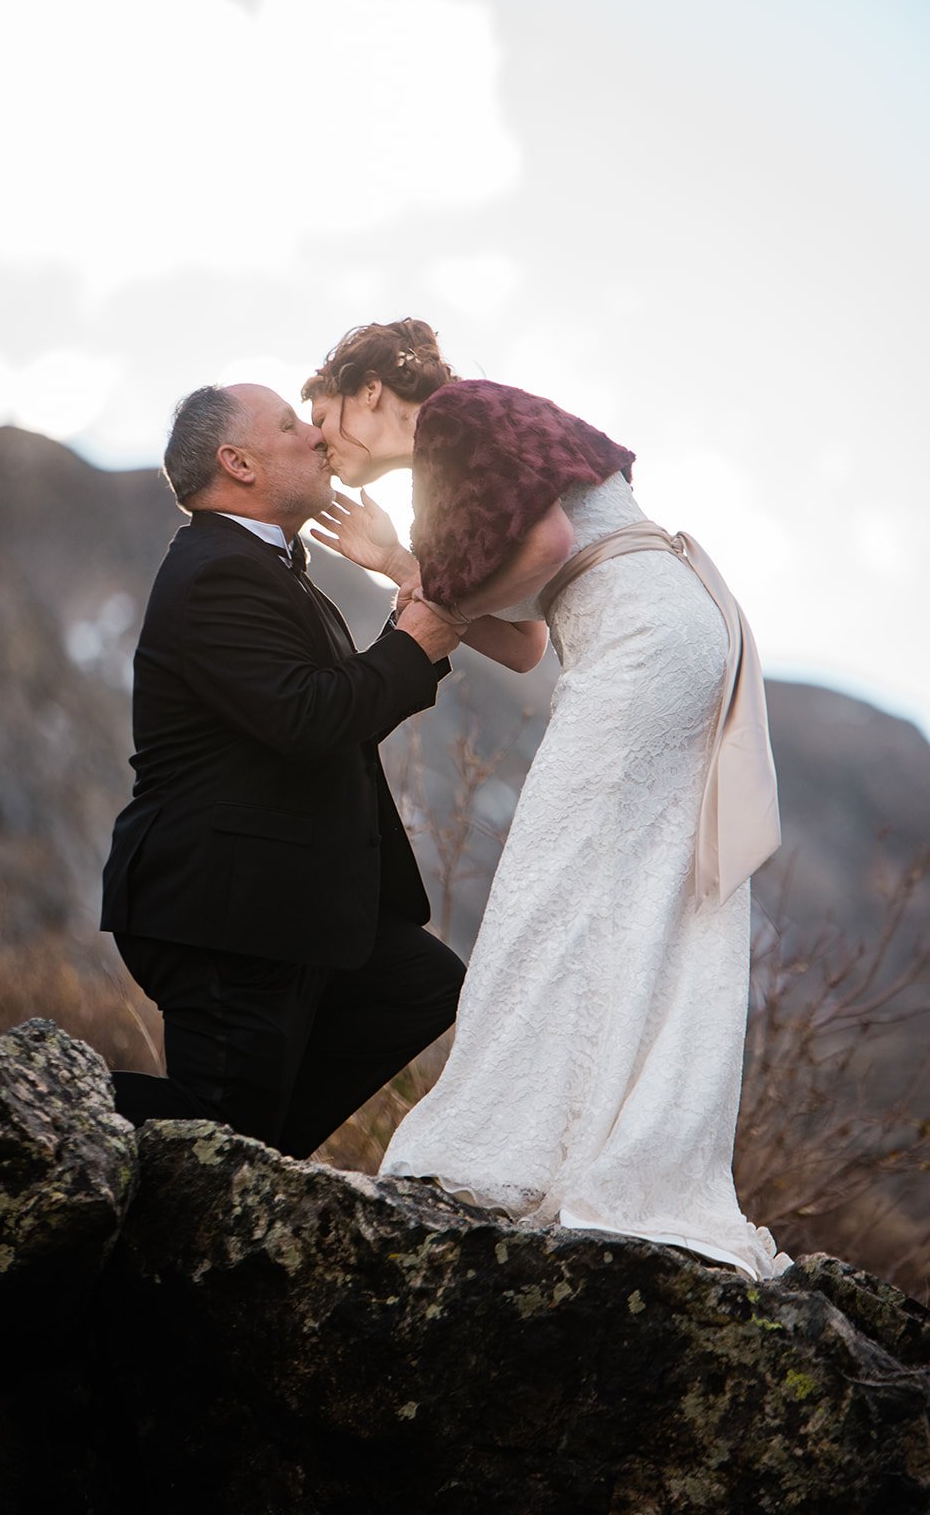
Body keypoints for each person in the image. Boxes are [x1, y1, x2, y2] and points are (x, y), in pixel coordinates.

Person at [302, 318, 788, 1279]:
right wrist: (403, 562)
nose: (325, 445)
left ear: (367, 390)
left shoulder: (454, 414)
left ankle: (496, 1151)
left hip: (642, 640)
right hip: (660, 631)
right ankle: (590, 1143)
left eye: (324, 418)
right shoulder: (454, 459)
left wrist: (408, 568)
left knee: (547, 884)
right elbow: (521, 639)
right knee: (630, 895)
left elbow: (551, 544)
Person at [99, 382, 465, 1158]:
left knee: (420, 986)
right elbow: (307, 718)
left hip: (294, 906)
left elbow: (327, 710)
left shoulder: (272, 569)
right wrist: (412, 642)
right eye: (291, 424)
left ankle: (257, 1169)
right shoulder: (214, 571)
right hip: (225, 911)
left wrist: (409, 614)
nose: (316, 436)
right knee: (216, 1132)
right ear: (238, 462)